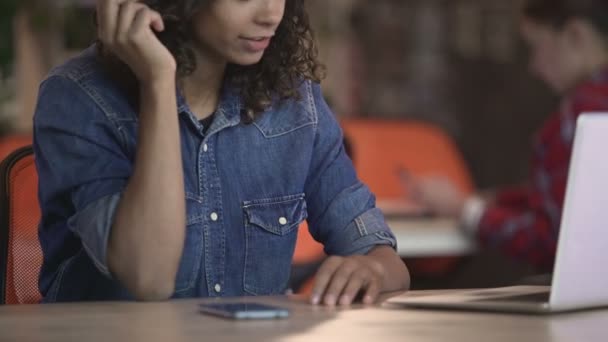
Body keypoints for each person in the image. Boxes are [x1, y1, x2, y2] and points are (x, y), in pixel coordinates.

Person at [33, 0, 409, 304]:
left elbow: (381, 255)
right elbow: (148, 277)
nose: (271, 14)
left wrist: (371, 270)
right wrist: (159, 81)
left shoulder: (293, 100)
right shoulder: (79, 97)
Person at [408, 0, 608, 271]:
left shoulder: (579, 116)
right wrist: (495, 200)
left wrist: (465, 210)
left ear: (575, 35)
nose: (534, 66)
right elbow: (576, 202)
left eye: (536, 46)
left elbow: (551, 240)